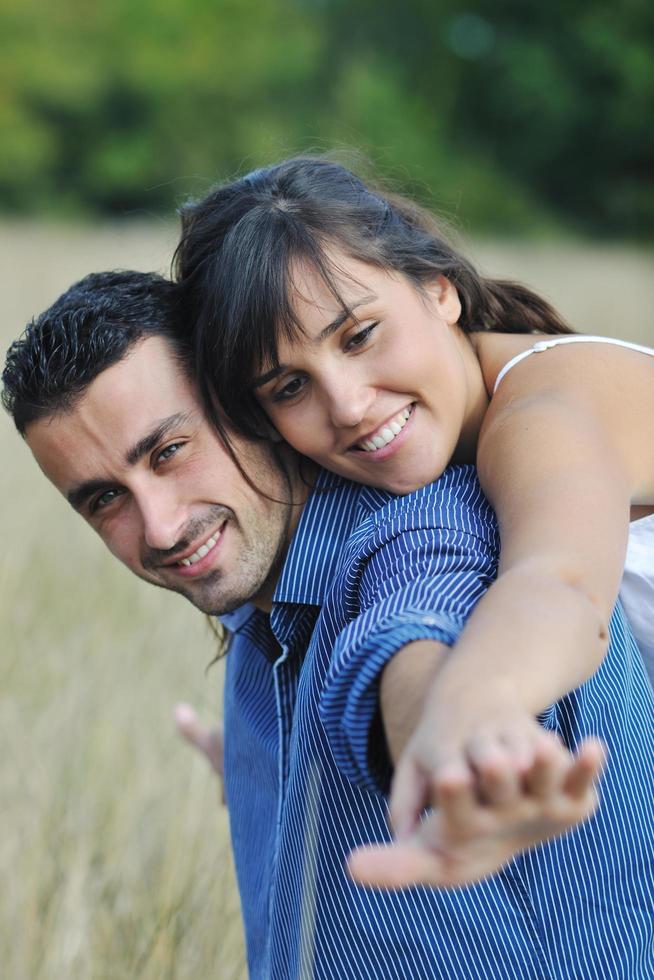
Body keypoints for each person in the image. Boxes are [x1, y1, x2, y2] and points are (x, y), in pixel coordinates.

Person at [4, 271, 653, 979]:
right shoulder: (263, 622)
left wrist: (451, 742)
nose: (159, 527)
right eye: (104, 499)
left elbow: (410, 636)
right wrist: (272, 763)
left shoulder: (426, 528)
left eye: (168, 453)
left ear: (249, 409)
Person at [173, 155, 654, 887]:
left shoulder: (542, 414)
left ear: (438, 289)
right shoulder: (414, 477)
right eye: (290, 386)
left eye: (360, 335)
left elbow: (559, 582)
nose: (347, 404)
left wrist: (471, 711)